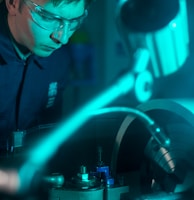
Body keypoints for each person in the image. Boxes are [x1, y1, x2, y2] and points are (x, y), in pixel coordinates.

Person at [0, 0, 94, 197]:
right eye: (49, 18)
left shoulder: (57, 60)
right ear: (13, 3)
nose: (62, 37)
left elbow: (48, 134)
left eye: (74, 22)